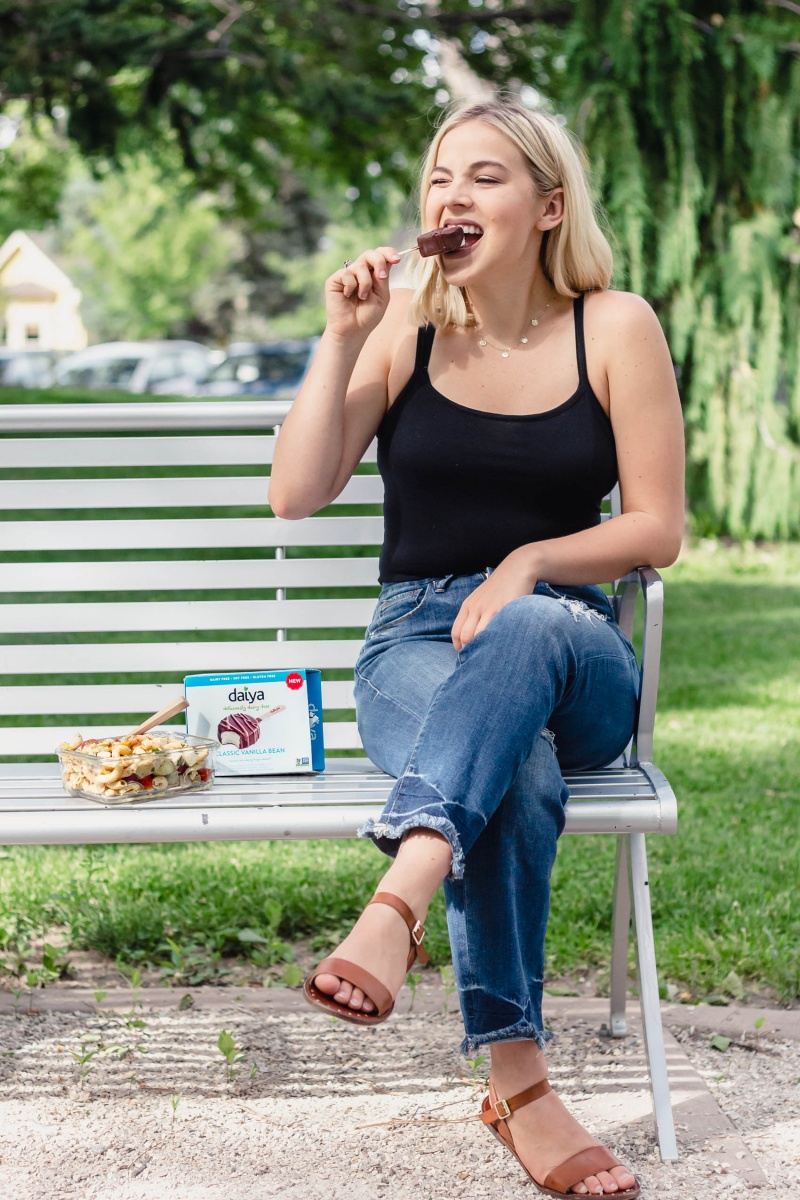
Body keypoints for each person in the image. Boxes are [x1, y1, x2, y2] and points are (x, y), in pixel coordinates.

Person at [269, 97, 685, 1199]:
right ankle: (517, 1085)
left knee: (534, 626)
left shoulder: (616, 326)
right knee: (515, 771)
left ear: (549, 207)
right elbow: (296, 492)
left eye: (485, 178)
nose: (450, 197)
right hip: (414, 645)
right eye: (439, 178)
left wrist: (530, 564)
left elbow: (657, 528)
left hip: (566, 648)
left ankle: (399, 893)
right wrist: (340, 338)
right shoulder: (403, 328)